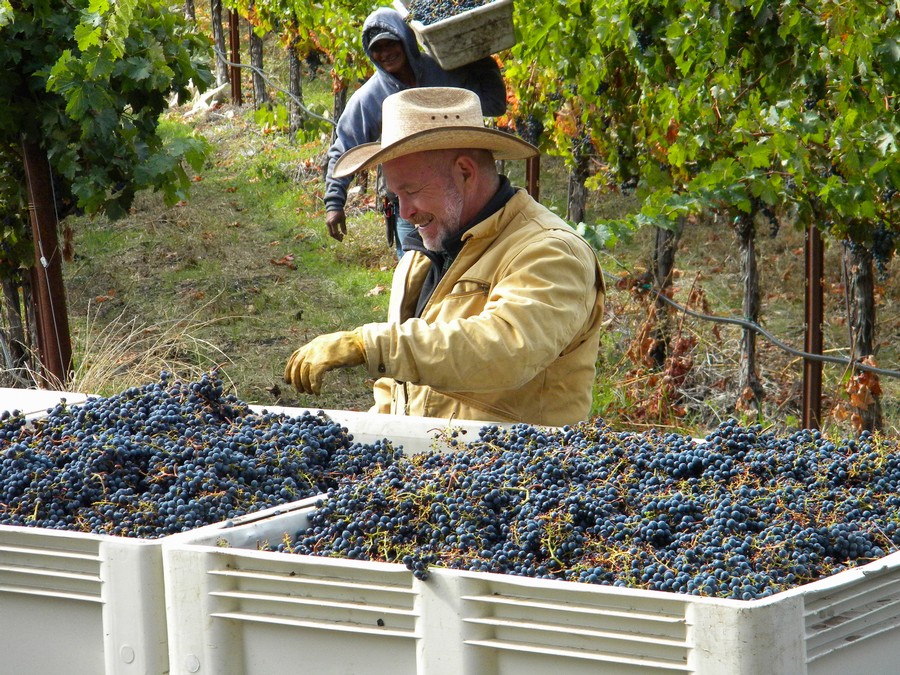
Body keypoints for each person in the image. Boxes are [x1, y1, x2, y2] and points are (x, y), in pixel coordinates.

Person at [286, 87, 606, 427]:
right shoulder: (419, 261)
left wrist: (368, 345)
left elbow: (505, 350)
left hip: (518, 474)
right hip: (434, 470)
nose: (405, 212)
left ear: (465, 172)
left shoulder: (551, 252)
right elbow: (396, 386)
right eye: (396, 196)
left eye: (411, 191)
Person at [324, 6, 507, 256]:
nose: (385, 53)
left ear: (406, 39)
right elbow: (345, 146)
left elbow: (495, 105)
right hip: (411, 203)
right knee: (418, 274)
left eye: (390, 43)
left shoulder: (444, 70)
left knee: (470, 267)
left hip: (462, 195)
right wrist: (334, 202)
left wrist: (480, 57)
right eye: (376, 48)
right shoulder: (370, 97)